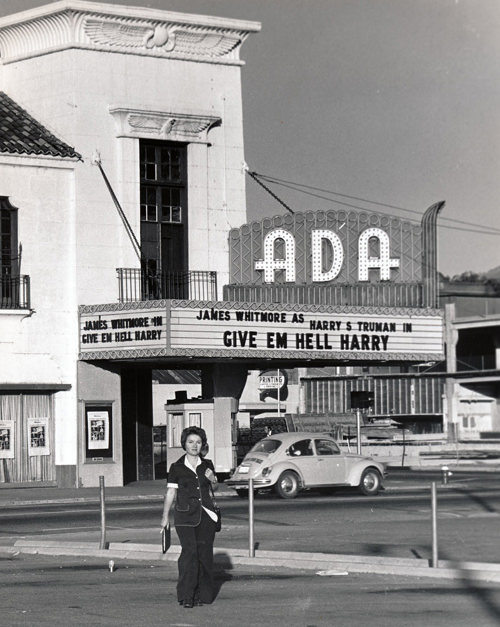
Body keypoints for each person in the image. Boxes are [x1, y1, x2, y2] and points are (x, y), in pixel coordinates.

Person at [160, 426, 219, 608]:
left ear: (203, 444)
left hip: (206, 516)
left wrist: (213, 480)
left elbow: (213, 489)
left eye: (198, 442)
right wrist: (165, 517)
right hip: (185, 517)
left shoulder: (207, 464)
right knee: (189, 554)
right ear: (184, 444)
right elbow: (170, 492)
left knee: (204, 555)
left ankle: (204, 595)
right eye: (191, 442)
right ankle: (186, 595)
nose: (194, 445)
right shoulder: (176, 467)